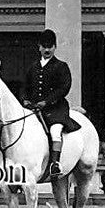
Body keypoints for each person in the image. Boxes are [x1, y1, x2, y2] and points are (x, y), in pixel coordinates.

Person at [21, 29, 74, 177]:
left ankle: (55, 164)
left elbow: (64, 87)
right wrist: (24, 99)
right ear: (39, 47)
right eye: (44, 47)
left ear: (55, 47)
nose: (47, 50)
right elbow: (24, 86)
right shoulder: (33, 67)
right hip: (34, 108)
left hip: (55, 108)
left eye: (50, 47)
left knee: (55, 131)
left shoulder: (61, 66)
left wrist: (47, 101)